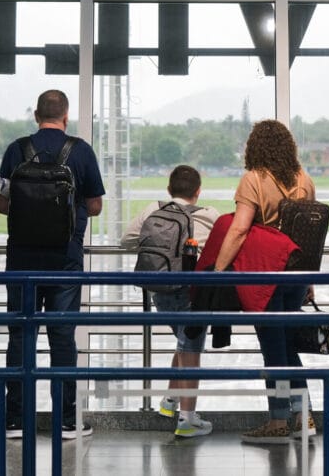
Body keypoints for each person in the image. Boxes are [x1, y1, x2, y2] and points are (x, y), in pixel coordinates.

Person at [0, 89, 105, 440]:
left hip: (22, 260)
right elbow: (95, 205)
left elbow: (1, 203)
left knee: (20, 336)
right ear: (66, 115)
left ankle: (15, 421)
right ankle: (66, 421)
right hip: (65, 260)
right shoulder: (81, 151)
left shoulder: (17, 149)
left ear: (35, 114)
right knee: (62, 337)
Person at [212, 120, 317, 444]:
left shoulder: (253, 179)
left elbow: (240, 228)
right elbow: (310, 234)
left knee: (273, 348)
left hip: (266, 273)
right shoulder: (304, 180)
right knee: (287, 346)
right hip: (297, 272)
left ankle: (278, 420)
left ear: (254, 147)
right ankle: (304, 416)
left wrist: (217, 270)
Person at [122, 164, 221, 438]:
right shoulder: (209, 214)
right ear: (198, 191)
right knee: (191, 352)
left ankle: (169, 401)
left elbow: (126, 241)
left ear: (169, 189)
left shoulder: (152, 209)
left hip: (159, 289)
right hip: (192, 290)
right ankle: (186, 420)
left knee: (184, 343)